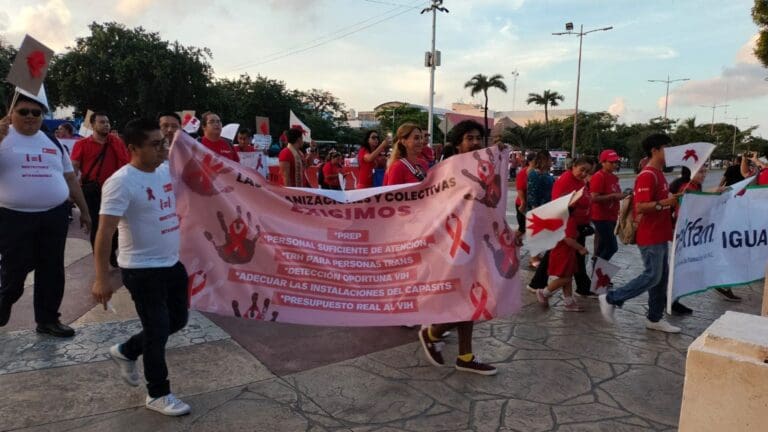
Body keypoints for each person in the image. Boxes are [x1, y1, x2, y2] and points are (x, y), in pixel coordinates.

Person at [91, 118, 191, 416]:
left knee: (177, 321)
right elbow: (104, 231)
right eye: (156, 144)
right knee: (157, 330)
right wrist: (101, 278)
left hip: (171, 263)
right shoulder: (121, 182)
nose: (163, 149)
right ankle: (158, 394)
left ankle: (127, 351)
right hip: (142, 269)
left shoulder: (163, 171)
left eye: (164, 142)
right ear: (133, 148)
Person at [409, 120, 497, 376]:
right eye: (470, 138)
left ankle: (465, 356)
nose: (476, 143)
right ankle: (433, 332)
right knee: (468, 301)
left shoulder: (484, 170)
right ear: (458, 143)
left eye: (479, 138)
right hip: (455, 245)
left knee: (472, 299)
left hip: (476, 243)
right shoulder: (447, 172)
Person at [0, 89, 91, 334]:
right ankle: (5, 299)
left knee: (51, 269)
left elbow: (70, 178)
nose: (30, 116)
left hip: (53, 216)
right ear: (11, 113)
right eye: (23, 112)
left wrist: (85, 210)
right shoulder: (3, 137)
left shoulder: (51, 141)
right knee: (15, 268)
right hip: (13, 217)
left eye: (36, 112)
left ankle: (48, 319)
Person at [600, 133, 682, 333]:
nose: (670, 152)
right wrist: (665, 204)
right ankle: (612, 298)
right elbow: (642, 207)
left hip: (660, 234)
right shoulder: (648, 175)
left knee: (661, 278)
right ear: (655, 150)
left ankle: (654, 318)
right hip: (650, 234)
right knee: (653, 275)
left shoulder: (660, 174)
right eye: (666, 148)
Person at [71, 112, 130, 267]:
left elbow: (127, 163)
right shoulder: (81, 144)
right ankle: (101, 260)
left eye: (108, 122)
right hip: (93, 191)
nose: (106, 125)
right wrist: (70, 189)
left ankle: (110, 250)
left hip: (116, 190)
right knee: (97, 226)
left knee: (118, 225)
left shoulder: (116, 142)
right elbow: (74, 168)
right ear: (92, 125)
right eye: (102, 122)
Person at [536, 157, 593, 311]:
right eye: (582, 170)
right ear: (573, 166)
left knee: (569, 272)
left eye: (587, 171)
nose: (584, 174)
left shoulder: (578, 183)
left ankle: (568, 301)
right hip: (566, 238)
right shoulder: (564, 186)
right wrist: (580, 248)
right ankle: (544, 292)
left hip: (572, 233)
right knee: (566, 275)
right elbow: (566, 235)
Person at [590, 149, 625, 263]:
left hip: (611, 216)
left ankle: (598, 277)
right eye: (611, 162)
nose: (615, 164)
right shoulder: (599, 176)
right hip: (601, 217)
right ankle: (599, 274)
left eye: (616, 162)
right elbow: (594, 198)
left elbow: (616, 194)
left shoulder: (614, 177)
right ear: (603, 162)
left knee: (602, 248)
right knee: (612, 247)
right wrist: (613, 196)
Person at [515, 153, 535, 234]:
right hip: (522, 204)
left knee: (530, 229)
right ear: (530, 162)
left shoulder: (537, 173)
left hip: (532, 204)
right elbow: (519, 188)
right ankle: (512, 243)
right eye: (535, 161)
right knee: (522, 229)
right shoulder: (523, 173)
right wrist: (523, 202)